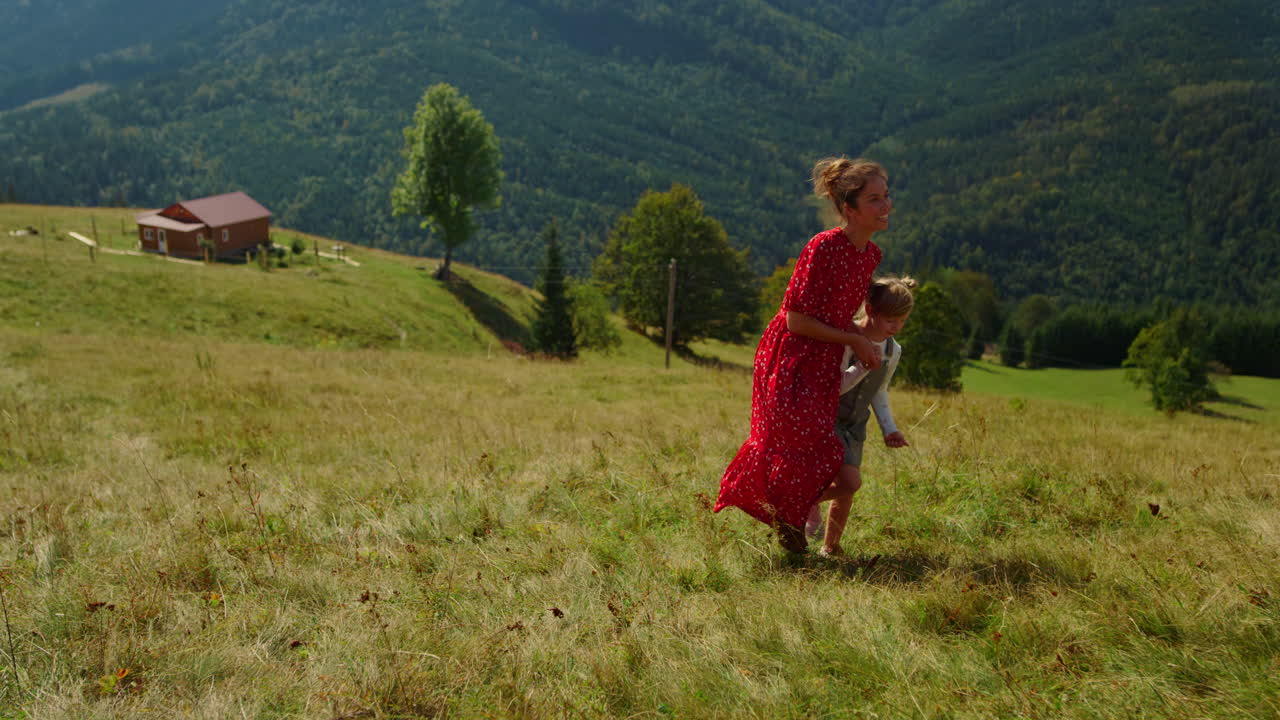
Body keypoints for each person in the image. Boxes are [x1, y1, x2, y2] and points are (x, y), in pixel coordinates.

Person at [715, 157, 892, 552]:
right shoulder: (823, 247)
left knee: (822, 454)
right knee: (796, 446)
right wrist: (855, 341)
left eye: (887, 196)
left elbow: (841, 315)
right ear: (850, 209)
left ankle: (789, 517)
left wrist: (870, 338)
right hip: (791, 357)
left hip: (824, 359)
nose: (886, 207)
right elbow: (796, 320)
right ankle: (790, 527)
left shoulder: (869, 256)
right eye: (875, 200)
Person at [804, 276, 916, 556]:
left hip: (855, 424)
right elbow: (836, 385)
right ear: (870, 310)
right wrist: (864, 366)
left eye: (902, 321)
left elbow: (879, 391)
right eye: (891, 320)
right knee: (849, 482)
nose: (896, 327)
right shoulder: (845, 338)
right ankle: (805, 503)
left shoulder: (893, 350)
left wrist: (889, 429)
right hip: (827, 418)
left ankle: (830, 547)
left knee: (847, 489)